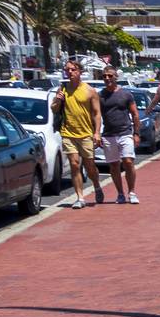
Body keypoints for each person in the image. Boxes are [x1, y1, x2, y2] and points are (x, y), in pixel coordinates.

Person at [51, 60, 104, 209]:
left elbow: (96, 113)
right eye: (67, 70)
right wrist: (58, 100)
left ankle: (97, 185)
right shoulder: (62, 90)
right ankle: (80, 197)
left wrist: (97, 132)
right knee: (74, 165)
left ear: (79, 71)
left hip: (86, 133)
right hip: (68, 133)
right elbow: (54, 109)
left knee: (90, 166)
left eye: (73, 69)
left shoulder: (90, 91)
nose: (70, 72)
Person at [98, 65, 141, 205]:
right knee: (114, 165)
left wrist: (136, 133)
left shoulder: (126, 94)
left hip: (125, 133)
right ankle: (120, 193)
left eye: (110, 76)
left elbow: (135, 114)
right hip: (108, 135)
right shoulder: (100, 96)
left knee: (128, 162)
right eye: (104, 76)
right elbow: (95, 115)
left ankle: (132, 192)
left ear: (116, 77)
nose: (107, 78)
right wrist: (97, 133)